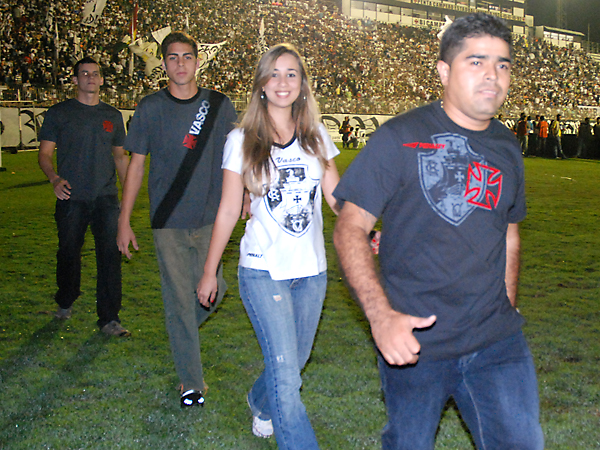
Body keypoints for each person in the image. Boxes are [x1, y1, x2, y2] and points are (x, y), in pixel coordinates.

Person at [333, 13, 543, 450]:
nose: (493, 75)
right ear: (444, 71)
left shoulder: (507, 146)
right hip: (416, 341)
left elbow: (509, 233)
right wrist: (381, 317)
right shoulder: (398, 137)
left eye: (502, 64)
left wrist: (506, 306)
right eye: (476, 61)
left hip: (496, 342)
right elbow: (350, 227)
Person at [197, 43, 340, 448]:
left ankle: (260, 402)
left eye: (291, 73)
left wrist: (367, 229)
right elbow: (229, 209)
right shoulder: (241, 139)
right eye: (274, 73)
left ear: (302, 84)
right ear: (261, 83)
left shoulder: (316, 136)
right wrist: (210, 271)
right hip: (263, 270)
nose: (282, 82)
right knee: (287, 375)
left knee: (294, 363)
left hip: (311, 270)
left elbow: (336, 198)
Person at [116, 32, 237, 408]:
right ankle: (191, 384)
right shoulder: (150, 107)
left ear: (198, 62)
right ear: (163, 63)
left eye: (187, 56)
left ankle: (180, 328)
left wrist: (246, 194)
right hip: (167, 219)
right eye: (173, 57)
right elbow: (136, 165)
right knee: (180, 300)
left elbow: (235, 156)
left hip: (212, 216)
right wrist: (124, 219)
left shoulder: (219, 104)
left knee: (214, 290)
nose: (180, 63)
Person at [38, 56, 130, 337]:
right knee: (68, 252)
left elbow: (120, 157)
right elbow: (44, 155)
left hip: (106, 198)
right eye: (84, 73)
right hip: (71, 197)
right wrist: (54, 179)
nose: (90, 78)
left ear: (101, 79)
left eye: (95, 73)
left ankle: (109, 319)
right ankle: (65, 300)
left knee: (110, 256)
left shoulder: (113, 115)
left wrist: (128, 196)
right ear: (75, 80)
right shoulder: (59, 113)